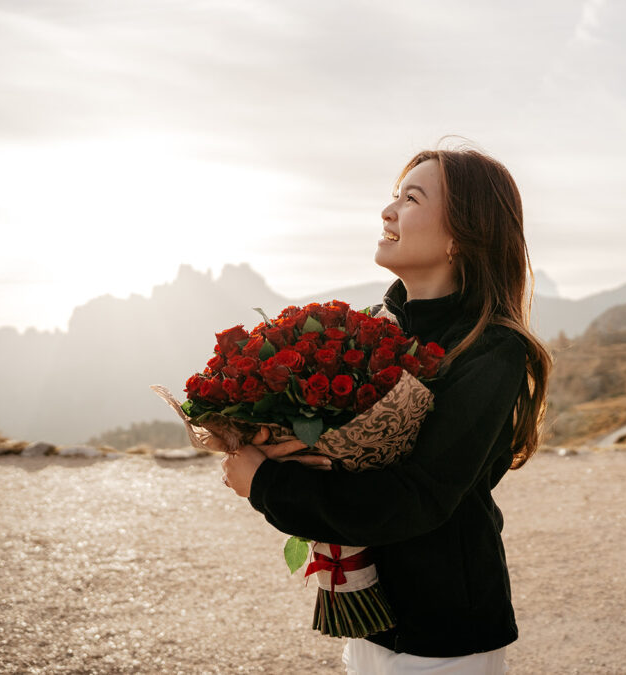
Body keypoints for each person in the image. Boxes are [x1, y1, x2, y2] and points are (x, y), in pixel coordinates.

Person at [219, 144, 552, 673]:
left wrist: (267, 486)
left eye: (412, 198)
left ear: (460, 236)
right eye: (394, 196)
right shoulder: (370, 329)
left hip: (445, 630)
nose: (388, 211)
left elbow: (416, 499)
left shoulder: (490, 350)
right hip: (365, 611)